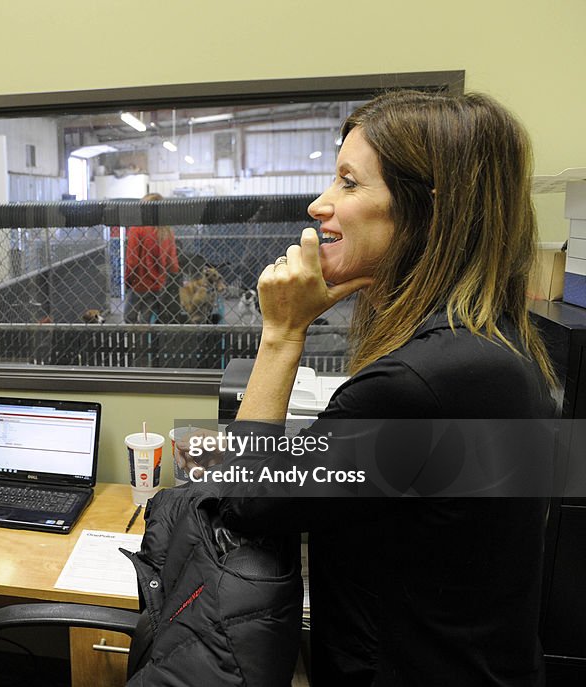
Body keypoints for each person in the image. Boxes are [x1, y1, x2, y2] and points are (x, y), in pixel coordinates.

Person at [180, 91, 556, 686]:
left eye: (349, 183)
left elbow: (242, 498)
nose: (319, 204)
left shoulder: (417, 386)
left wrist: (281, 333)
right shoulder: (495, 352)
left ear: (425, 211)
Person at [125, 192, 181, 324]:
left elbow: (132, 260)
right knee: (146, 319)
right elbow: (172, 263)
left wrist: (128, 280)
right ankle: (144, 342)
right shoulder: (167, 231)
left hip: (138, 283)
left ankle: (136, 342)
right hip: (157, 284)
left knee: (128, 317)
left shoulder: (137, 229)